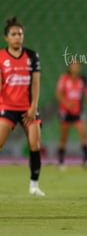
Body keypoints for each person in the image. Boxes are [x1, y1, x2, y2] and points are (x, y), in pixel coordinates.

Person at [0, 16, 45, 196]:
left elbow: (35, 83)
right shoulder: (1, 57)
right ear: (6, 38)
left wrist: (33, 106)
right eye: (13, 34)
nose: (17, 37)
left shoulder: (32, 56)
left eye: (20, 34)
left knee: (35, 144)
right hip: (7, 107)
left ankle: (34, 185)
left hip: (27, 107)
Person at [56, 60, 87, 170]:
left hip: (78, 111)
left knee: (83, 135)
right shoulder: (64, 78)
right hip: (65, 112)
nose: (76, 67)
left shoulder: (82, 80)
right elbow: (58, 94)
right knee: (64, 138)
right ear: (69, 67)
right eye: (74, 65)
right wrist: (67, 103)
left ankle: (86, 160)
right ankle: (61, 162)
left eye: (77, 65)